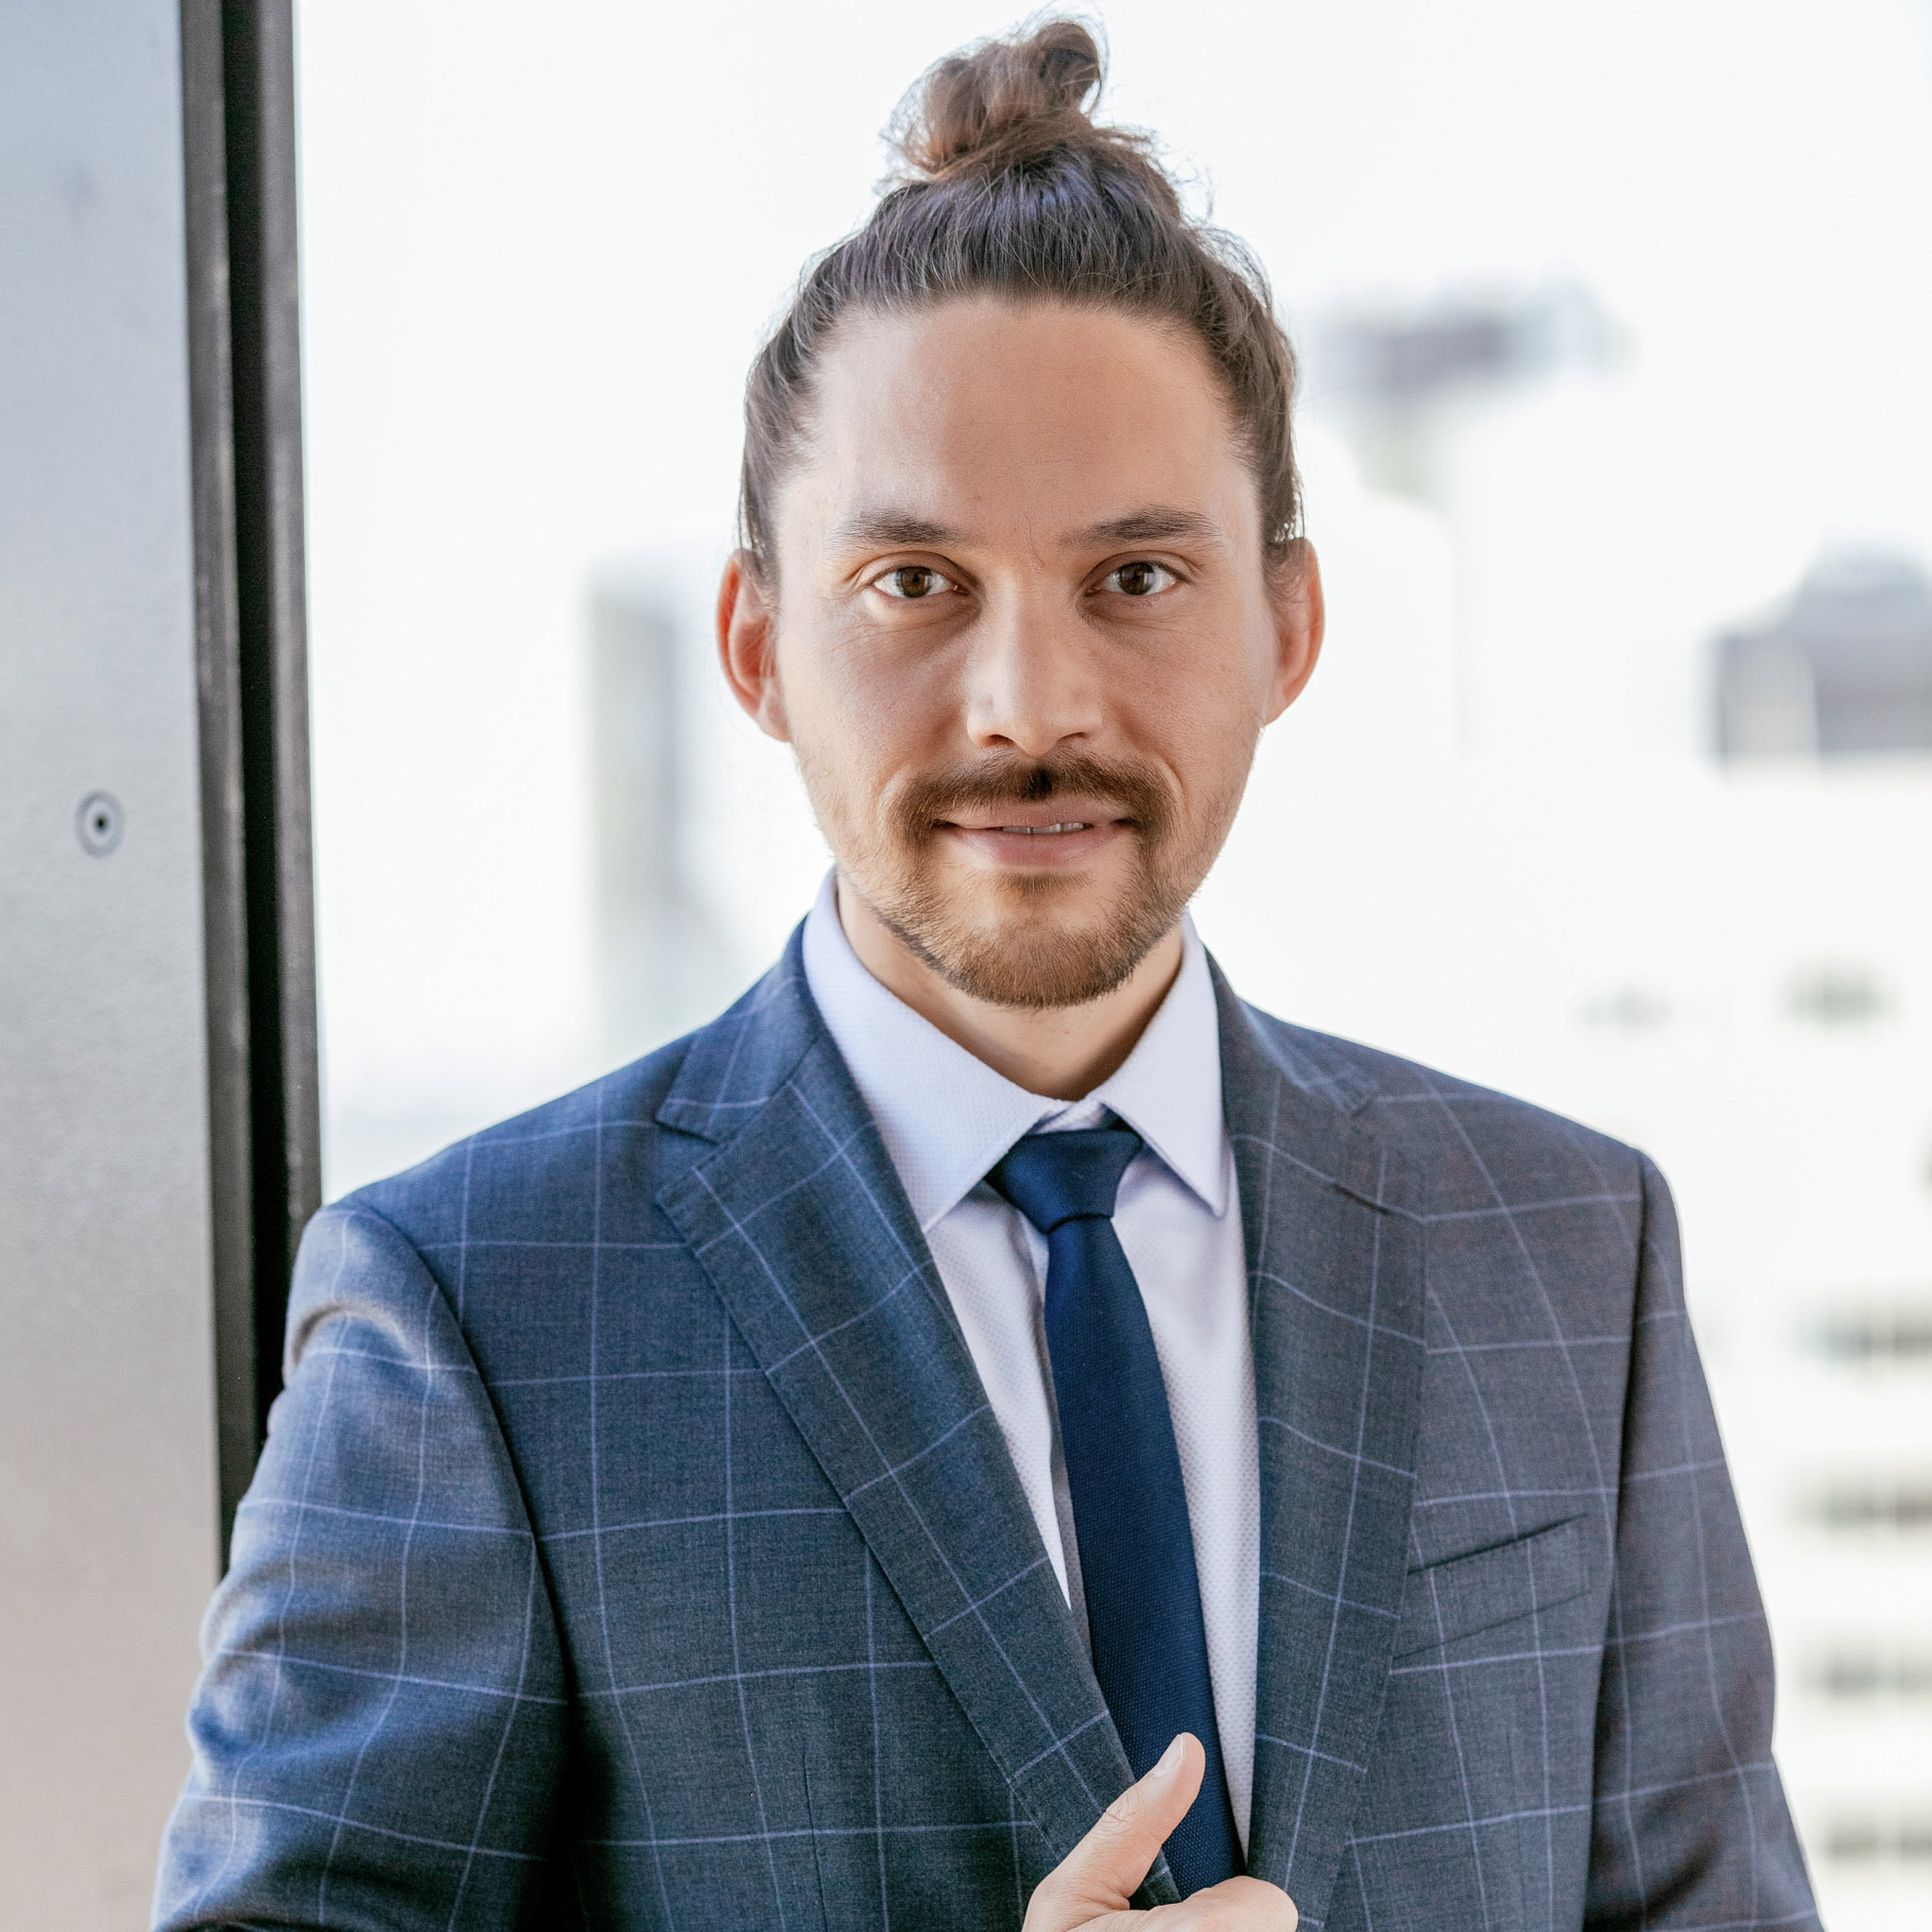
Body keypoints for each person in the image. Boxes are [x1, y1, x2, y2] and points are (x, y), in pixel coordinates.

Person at [153, 20, 1819, 1932]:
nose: (1030, 704)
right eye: (915, 583)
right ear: (757, 644)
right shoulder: (477, 1308)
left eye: (1134, 579)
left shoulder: (1567, 1251)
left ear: (1286, 624)